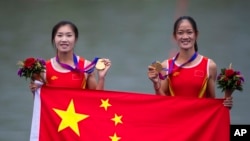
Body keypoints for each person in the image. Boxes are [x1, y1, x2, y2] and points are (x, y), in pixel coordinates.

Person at [147, 16, 233, 108]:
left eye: (189, 32)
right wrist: (156, 84)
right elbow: (162, 103)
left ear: (196, 35)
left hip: (199, 121)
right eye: (180, 33)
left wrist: (225, 104)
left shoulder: (209, 66)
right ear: (174, 36)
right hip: (175, 120)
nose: (185, 37)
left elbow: (211, 104)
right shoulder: (166, 66)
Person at [30, 20, 111, 92]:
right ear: (54, 39)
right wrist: (35, 91)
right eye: (59, 35)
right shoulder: (44, 69)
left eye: (69, 35)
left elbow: (96, 100)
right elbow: (40, 105)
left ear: (75, 39)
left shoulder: (86, 67)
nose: (64, 40)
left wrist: (101, 78)